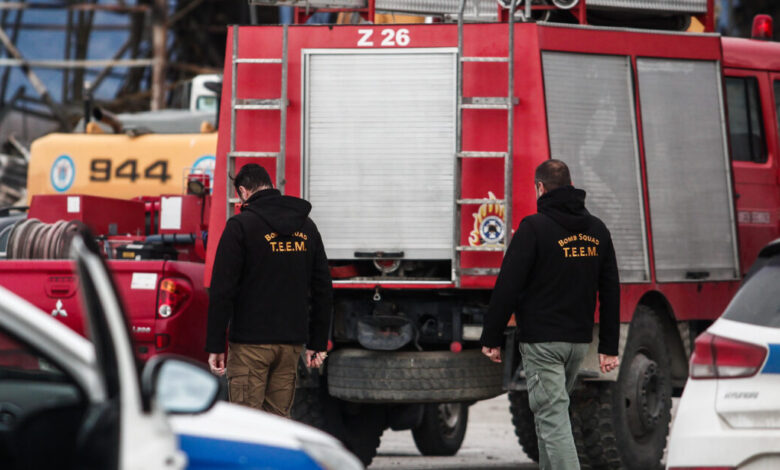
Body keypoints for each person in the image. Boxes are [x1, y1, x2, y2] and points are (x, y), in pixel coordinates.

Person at [480, 159, 620, 470]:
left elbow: (508, 286)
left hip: (542, 343)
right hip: (577, 343)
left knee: (553, 417)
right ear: (570, 187)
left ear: (540, 188)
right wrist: (608, 346)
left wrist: (492, 337)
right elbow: (610, 289)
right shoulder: (597, 230)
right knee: (550, 414)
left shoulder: (534, 228)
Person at [206, 163, 333, 417]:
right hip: (290, 345)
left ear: (243, 191)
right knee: (277, 426)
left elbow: (222, 290)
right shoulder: (307, 228)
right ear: (271, 186)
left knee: (246, 426)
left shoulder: (240, 227)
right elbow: (322, 288)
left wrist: (216, 344)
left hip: (249, 345)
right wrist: (317, 342)